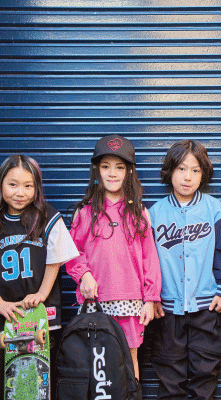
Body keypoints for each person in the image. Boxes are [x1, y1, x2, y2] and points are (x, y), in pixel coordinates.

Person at [0, 154, 79, 400]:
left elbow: (56, 259)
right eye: (13, 184)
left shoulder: (48, 217)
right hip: (3, 321)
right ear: (1, 185)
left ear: (37, 188)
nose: (20, 192)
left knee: (42, 385)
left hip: (41, 318)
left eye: (28, 186)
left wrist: (42, 293)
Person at [65, 134, 162, 380]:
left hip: (131, 300)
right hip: (96, 299)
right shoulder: (85, 212)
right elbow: (72, 252)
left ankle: (132, 395)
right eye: (106, 166)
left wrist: (151, 298)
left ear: (129, 171)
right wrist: (84, 275)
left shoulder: (139, 213)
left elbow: (149, 259)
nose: (112, 173)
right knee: (97, 362)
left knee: (130, 358)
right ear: (97, 170)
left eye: (119, 167)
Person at [149, 139, 221, 400]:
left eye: (195, 170)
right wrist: (151, 296)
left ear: (203, 174)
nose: (187, 177)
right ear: (170, 171)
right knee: (169, 375)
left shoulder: (214, 209)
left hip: (206, 306)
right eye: (181, 169)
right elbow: (147, 260)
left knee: (205, 372)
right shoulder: (155, 213)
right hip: (167, 308)